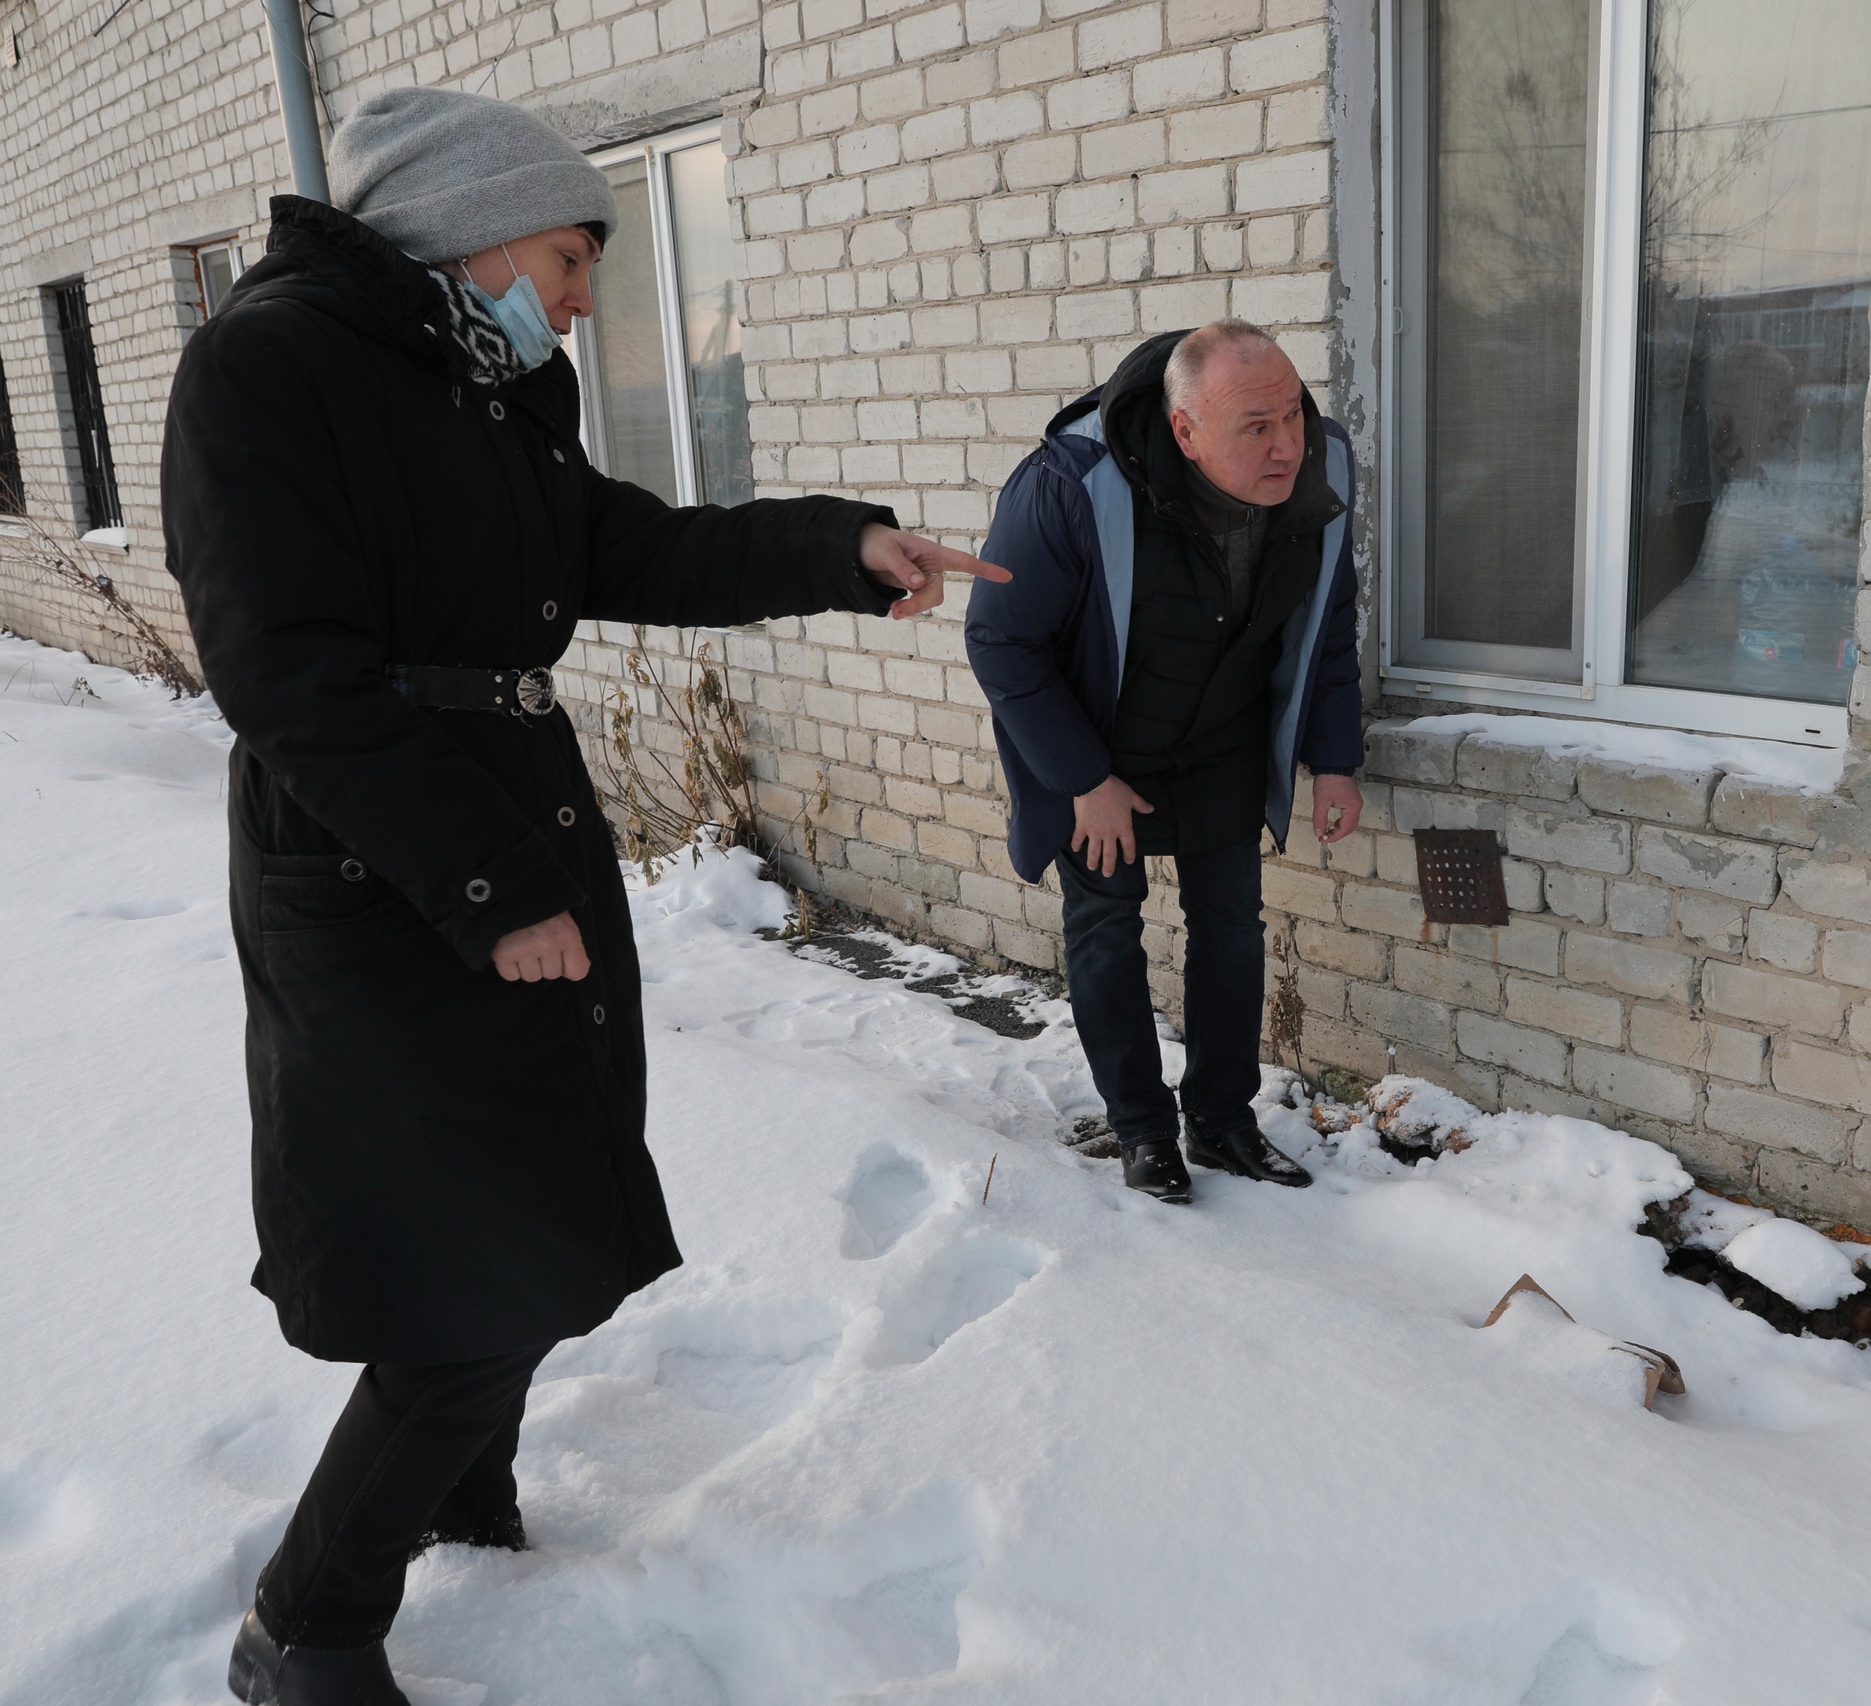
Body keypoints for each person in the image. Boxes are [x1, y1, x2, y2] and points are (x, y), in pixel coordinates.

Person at [159, 88, 1005, 1705]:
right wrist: (482, 888)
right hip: (378, 863)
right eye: (565, 255)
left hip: (504, 832)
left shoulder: (483, 389)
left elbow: (628, 551)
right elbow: (286, 674)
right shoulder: (267, 366)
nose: (580, 298)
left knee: (534, 1210)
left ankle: (460, 1490)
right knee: (460, 1256)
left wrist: (847, 548)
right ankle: (309, 1625)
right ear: (461, 226)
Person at [966, 320, 1363, 1205]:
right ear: (1185, 432)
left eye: (1293, 414)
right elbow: (1001, 643)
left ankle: (1222, 1121)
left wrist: (1334, 756)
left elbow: (1329, 624)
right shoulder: (1071, 484)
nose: (1287, 444)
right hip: (1099, 746)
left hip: (1221, 733)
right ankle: (1143, 1130)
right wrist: (1082, 780)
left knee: (1232, 928)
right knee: (1107, 928)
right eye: (1254, 427)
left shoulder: (1322, 466)